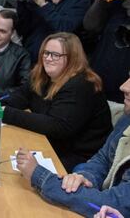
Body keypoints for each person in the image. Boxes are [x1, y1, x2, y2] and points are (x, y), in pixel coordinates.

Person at [15, 75, 130, 218]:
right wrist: (84, 177)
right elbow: (103, 158)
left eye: (55, 55)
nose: (124, 86)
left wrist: (40, 176)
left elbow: (114, 203)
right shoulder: (127, 118)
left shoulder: (82, 85)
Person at [1, 32, 112, 172]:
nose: (48, 58)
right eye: (46, 53)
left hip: (81, 158)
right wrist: (1, 107)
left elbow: (57, 126)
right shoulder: (41, 75)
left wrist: (7, 113)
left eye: (56, 55)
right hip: (51, 143)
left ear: (72, 58)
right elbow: (21, 97)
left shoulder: (82, 84)